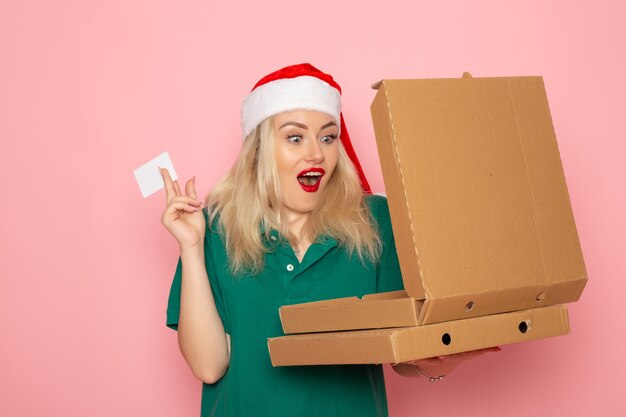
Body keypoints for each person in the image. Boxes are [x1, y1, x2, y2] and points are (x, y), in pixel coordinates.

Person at [160, 63, 498, 417]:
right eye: (295, 137)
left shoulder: (375, 222)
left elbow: (403, 355)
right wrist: (191, 247)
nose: (316, 154)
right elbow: (208, 367)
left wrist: (438, 363)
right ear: (259, 151)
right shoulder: (215, 228)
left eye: (327, 137)